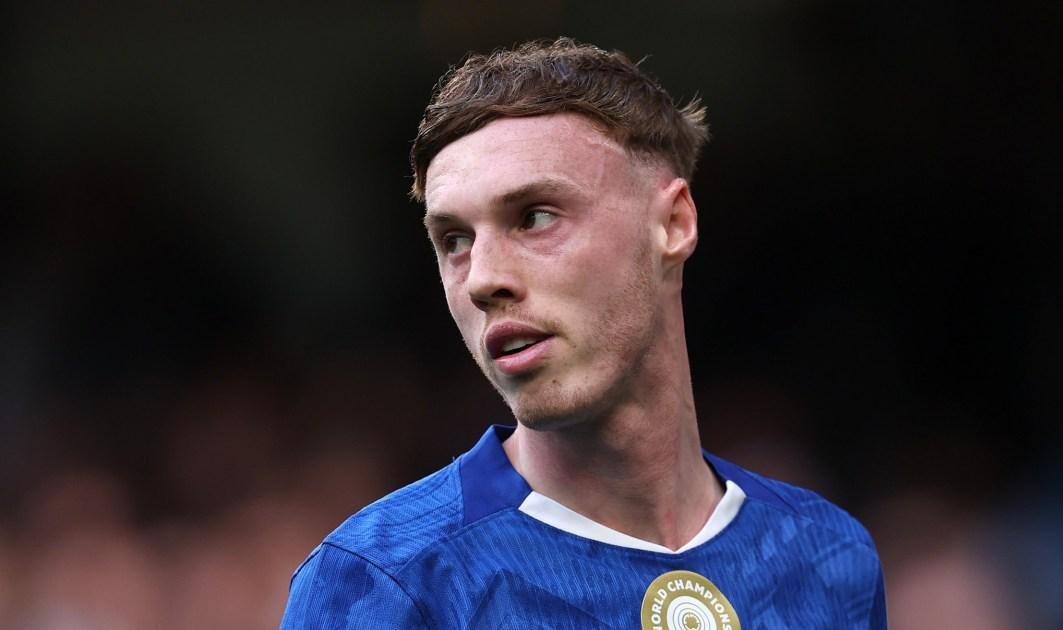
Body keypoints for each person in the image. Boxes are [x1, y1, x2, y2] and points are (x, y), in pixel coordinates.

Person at [281, 37, 886, 629]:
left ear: (674, 224)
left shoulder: (829, 558)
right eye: (455, 240)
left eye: (535, 216)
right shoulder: (385, 583)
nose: (482, 279)